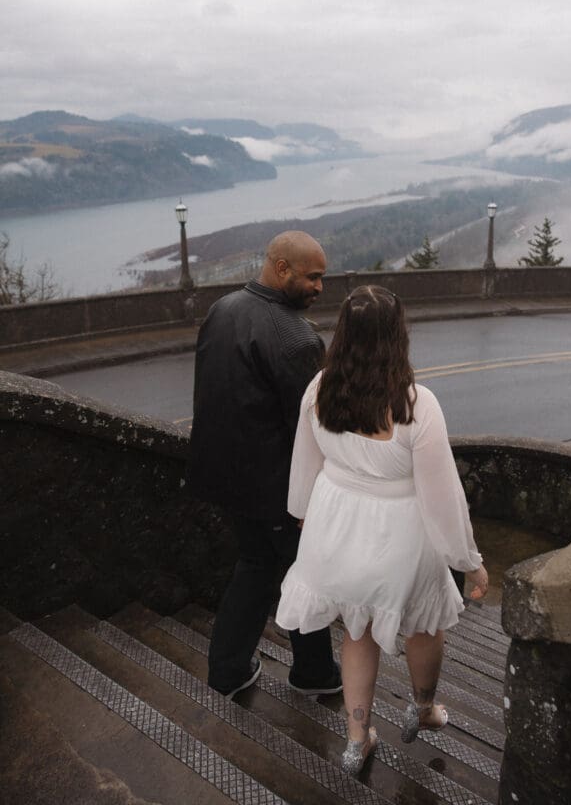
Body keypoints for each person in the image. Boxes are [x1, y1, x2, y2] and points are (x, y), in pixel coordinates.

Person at [275, 284, 488, 775]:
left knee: (356, 629)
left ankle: (356, 739)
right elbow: (442, 495)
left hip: (337, 525)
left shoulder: (320, 389)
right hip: (400, 534)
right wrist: (468, 560)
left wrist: (306, 517)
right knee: (423, 624)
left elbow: (304, 465)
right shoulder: (416, 404)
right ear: (398, 335)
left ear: (343, 332)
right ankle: (422, 708)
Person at [188, 230, 341, 699]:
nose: (319, 287)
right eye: (312, 277)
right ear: (281, 269)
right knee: (288, 574)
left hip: (223, 476)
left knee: (264, 567)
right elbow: (317, 426)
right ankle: (282, 672)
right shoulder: (296, 336)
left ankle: (271, 668)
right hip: (274, 489)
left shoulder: (222, 309)